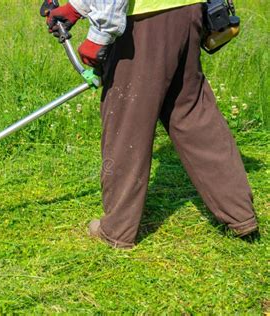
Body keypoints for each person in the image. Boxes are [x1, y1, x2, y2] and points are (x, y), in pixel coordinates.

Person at [46, 0, 258, 249]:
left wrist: (100, 34)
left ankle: (118, 229)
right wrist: (77, 7)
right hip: (187, 10)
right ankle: (240, 214)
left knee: (127, 121)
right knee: (192, 113)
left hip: (145, 21)